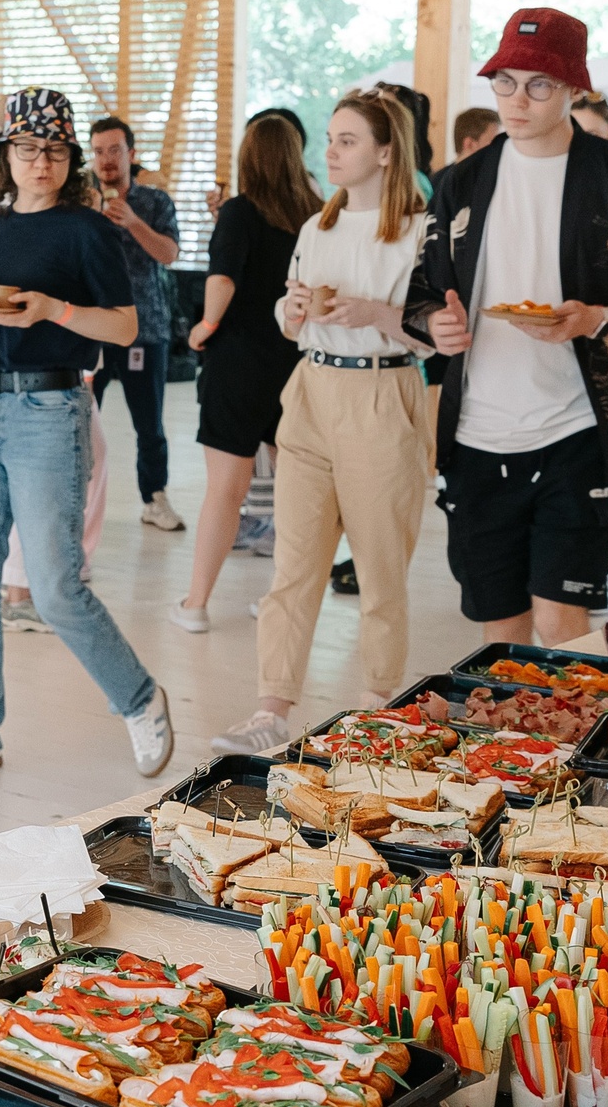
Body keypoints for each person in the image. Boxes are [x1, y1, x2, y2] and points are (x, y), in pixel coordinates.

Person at [405, 8, 608, 646]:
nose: (518, 100)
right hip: (476, 437)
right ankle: (513, 720)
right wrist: (436, 326)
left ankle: (569, 719)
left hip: (576, 431)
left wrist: (599, 318)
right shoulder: (458, 185)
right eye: (505, 83)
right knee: (501, 633)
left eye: (539, 85)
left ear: (574, 89)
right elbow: (419, 297)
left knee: (562, 624)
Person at [0, 88, 174, 782]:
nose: (42, 161)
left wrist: (51, 310)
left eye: (56, 150)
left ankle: (139, 697)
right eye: (29, 148)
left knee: (57, 588)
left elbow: (123, 326)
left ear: (71, 158)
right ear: (5, 154)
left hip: (50, 410)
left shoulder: (86, 231)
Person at [211, 91, 430, 754]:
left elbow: (433, 336)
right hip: (309, 389)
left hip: (382, 392)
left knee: (380, 568)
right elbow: (289, 317)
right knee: (294, 562)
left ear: (386, 152)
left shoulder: (420, 231)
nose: (330, 152)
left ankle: (378, 706)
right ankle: (271, 709)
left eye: (347, 141)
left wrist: (376, 314)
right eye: (330, 139)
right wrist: (295, 310)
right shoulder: (316, 228)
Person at [174, 108, 316, 633]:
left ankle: (195, 604)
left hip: (237, 363)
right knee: (293, 491)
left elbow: (224, 279)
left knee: (225, 490)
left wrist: (204, 326)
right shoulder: (316, 215)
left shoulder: (240, 210)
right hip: (294, 361)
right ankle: (279, 598)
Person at [86, 115, 184, 532]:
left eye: (114, 150)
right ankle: (78, 501)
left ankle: (154, 498)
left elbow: (169, 254)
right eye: (98, 151)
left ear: (131, 153)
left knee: (149, 424)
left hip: (145, 330)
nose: (106, 159)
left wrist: (132, 222)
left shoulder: (155, 202)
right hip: (92, 328)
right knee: (82, 420)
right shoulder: (80, 201)